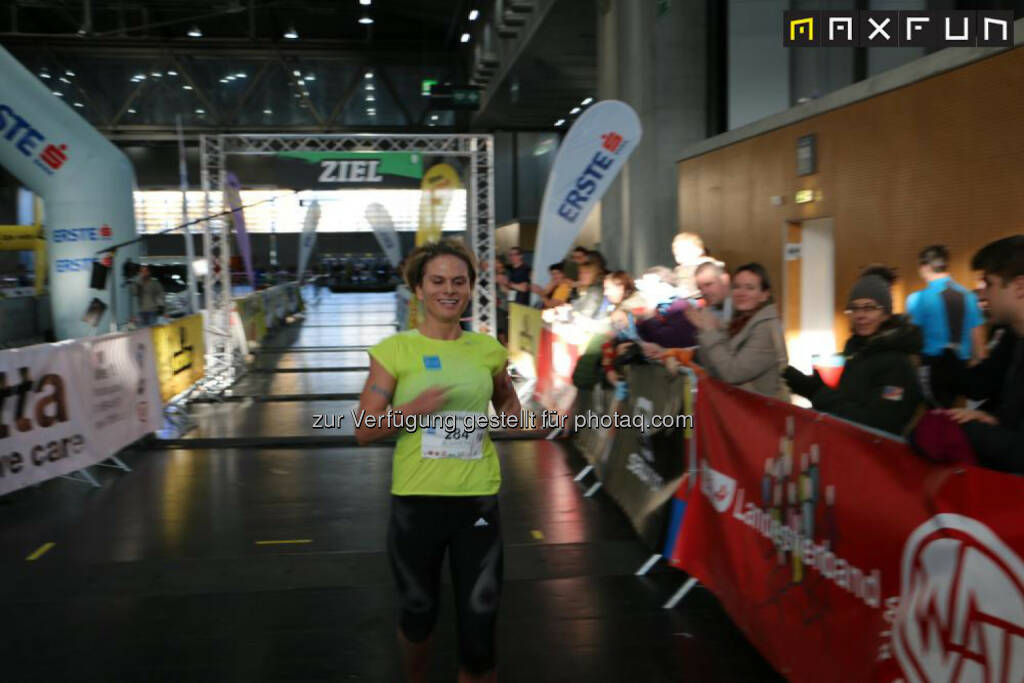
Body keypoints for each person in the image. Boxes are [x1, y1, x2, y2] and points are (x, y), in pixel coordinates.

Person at [355, 239, 521, 683]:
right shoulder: (394, 351)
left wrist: (544, 421)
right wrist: (414, 409)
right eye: (438, 281)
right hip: (417, 502)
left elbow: (510, 412)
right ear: (419, 289)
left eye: (459, 281)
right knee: (418, 612)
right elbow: (364, 429)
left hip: (477, 502)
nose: (449, 289)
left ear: (470, 288)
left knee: (481, 629)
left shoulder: (487, 350)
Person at [784, 274, 924, 436]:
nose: (860, 315)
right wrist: (802, 382)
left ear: (885, 314)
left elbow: (878, 426)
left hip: (875, 456)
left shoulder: (898, 365)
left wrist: (818, 392)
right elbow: (847, 399)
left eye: (869, 308)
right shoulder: (855, 351)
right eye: (854, 308)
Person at [943, 236, 1024, 474]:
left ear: (1020, 287)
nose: (981, 295)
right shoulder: (1017, 343)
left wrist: (969, 433)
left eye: (989, 284)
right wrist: (992, 419)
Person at [685, 262, 788, 398]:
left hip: (760, 413)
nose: (741, 293)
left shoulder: (765, 327)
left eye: (749, 288)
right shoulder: (740, 321)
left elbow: (732, 374)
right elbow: (714, 368)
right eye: (737, 287)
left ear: (764, 295)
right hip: (741, 407)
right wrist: (704, 329)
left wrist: (710, 331)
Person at [906, 245, 987, 406]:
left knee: (932, 419)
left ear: (924, 268)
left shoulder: (917, 299)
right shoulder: (969, 297)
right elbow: (979, 347)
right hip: (961, 367)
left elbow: (912, 343)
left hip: (930, 370)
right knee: (957, 420)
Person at [694, 260, 732, 324]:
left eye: (708, 284)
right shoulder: (707, 312)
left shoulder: (743, 306)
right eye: (700, 288)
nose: (704, 292)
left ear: (725, 280)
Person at [672, 232, 709, 299]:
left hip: (698, 299)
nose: (680, 257)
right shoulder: (678, 269)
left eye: (683, 252)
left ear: (699, 251)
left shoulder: (704, 267)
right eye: (676, 255)